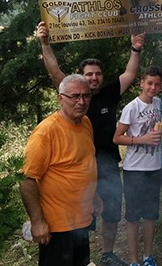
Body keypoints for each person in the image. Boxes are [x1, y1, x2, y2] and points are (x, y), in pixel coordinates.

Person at [37, 21, 145, 266]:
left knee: (112, 213)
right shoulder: (75, 95)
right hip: (79, 168)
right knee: (79, 220)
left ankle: (107, 254)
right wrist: (45, 44)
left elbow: (129, 74)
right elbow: (55, 73)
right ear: (80, 78)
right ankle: (79, 259)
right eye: (89, 74)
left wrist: (135, 48)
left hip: (108, 165)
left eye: (97, 74)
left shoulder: (109, 93)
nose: (94, 78)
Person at [20, 74, 103, 266]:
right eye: (74, 96)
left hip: (81, 221)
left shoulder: (85, 123)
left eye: (86, 95)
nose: (81, 102)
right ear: (60, 98)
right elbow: (26, 180)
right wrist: (37, 222)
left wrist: (94, 195)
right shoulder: (45, 133)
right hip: (57, 227)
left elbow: (83, 164)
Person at [112, 66, 162, 266]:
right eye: (149, 83)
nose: (153, 88)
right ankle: (134, 260)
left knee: (151, 215)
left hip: (154, 168)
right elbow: (117, 138)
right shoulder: (132, 107)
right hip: (134, 170)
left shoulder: (158, 104)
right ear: (141, 83)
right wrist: (141, 139)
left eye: (157, 84)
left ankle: (147, 256)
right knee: (133, 217)